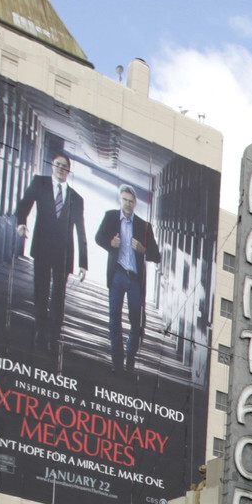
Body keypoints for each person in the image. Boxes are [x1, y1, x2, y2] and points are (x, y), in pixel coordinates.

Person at [14, 153, 90, 354]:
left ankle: (54, 335)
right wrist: (21, 223)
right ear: (52, 166)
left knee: (58, 295)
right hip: (42, 247)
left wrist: (84, 263)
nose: (60, 168)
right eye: (57, 164)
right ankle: (40, 330)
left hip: (64, 253)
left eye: (64, 166)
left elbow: (81, 231)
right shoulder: (40, 183)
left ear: (68, 171)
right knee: (41, 291)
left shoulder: (76, 198)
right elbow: (24, 203)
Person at [93, 184, 162, 373]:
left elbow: (157, 256)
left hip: (135, 280)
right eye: (125, 200)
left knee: (137, 323)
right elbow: (98, 237)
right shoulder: (110, 217)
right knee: (114, 318)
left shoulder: (144, 226)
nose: (128, 204)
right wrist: (110, 243)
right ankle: (117, 361)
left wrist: (143, 250)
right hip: (117, 275)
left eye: (131, 201)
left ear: (135, 204)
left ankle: (130, 356)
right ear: (120, 200)